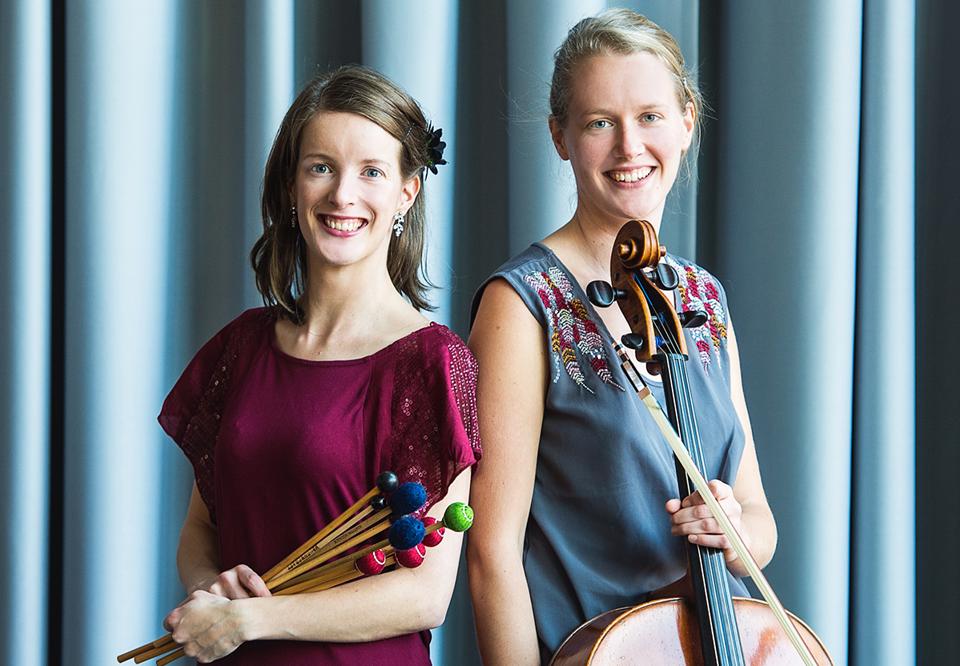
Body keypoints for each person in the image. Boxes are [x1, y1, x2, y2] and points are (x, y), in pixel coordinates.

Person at [467, 9, 777, 664]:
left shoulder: (702, 298)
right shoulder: (521, 304)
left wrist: (732, 528)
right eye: (600, 122)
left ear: (687, 122)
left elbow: (758, 517)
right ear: (561, 136)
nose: (629, 147)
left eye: (650, 117)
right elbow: (493, 556)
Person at [159, 65, 480, 665]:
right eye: (321, 167)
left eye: (372, 172)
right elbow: (200, 531)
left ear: (406, 192)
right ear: (292, 185)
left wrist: (250, 619)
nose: (342, 195)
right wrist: (210, 591)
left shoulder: (435, 362)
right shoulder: (240, 347)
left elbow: (424, 594)